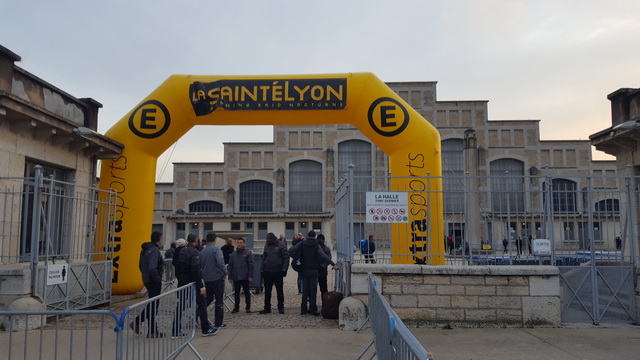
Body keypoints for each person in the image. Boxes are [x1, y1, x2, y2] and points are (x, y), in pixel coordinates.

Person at [175, 233, 218, 336]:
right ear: (196, 241)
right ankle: (205, 328)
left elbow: (177, 266)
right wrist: (201, 286)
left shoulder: (182, 250)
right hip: (192, 281)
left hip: (183, 281)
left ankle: (175, 329)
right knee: (202, 304)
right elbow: (195, 270)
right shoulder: (194, 252)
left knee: (180, 305)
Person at [289, 231, 338, 316]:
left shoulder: (302, 243)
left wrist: (296, 257)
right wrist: (333, 264)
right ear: (315, 237)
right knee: (313, 290)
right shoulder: (316, 245)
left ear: (308, 236)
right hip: (314, 270)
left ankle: (303, 310)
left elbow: (291, 250)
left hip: (304, 270)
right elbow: (323, 256)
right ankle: (312, 310)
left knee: (305, 291)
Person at [130, 231, 165, 338]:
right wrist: (158, 278)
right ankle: (141, 324)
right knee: (154, 305)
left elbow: (140, 265)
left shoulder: (145, 250)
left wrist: (145, 275)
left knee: (152, 304)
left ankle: (152, 330)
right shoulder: (154, 251)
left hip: (146, 279)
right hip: (153, 281)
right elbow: (152, 267)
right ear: (159, 239)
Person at [200, 232, 227, 330]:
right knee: (219, 300)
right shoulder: (216, 250)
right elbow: (220, 262)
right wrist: (224, 272)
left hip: (206, 278)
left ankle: (198, 311)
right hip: (217, 278)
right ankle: (218, 322)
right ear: (214, 240)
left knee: (208, 298)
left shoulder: (202, 251)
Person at [259, 232, 289, 314]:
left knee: (279, 290)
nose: (268, 241)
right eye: (267, 239)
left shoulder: (281, 245)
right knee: (267, 291)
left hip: (278, 271)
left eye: (269, 239)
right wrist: (262, 270)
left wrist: (284, 269)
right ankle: (267, 307)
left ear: (273, 238)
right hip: (267, 271)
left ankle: (281, 307)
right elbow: (263, 258)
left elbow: (286, 257)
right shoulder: (267, 245)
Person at [228, 237, 254, 313]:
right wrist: (230, 276)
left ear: (244, 243)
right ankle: (236, 307)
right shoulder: (233, 254)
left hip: (245, 276)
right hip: (236, 276)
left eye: (241, 243)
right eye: (238, 243)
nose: (239, 244)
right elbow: (230, 266)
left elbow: (251, 265)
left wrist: (250, 275)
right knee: (236, 293)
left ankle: (248, 307)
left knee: (246, 292)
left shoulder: (247, 253)